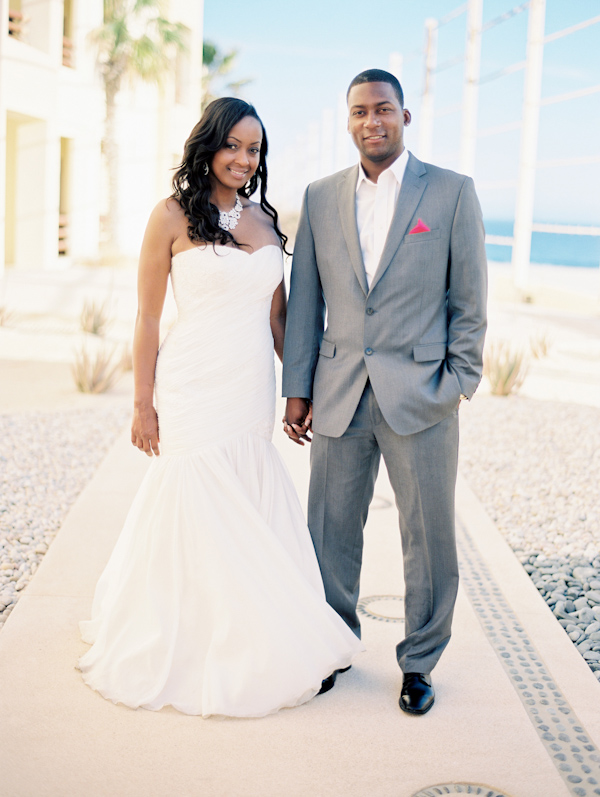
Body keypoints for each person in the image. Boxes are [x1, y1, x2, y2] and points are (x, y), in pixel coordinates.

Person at [78, 97, 364, 718]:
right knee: (194, 494)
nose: (242, 158)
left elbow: (281, 315)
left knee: (245, 491)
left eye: (254, 148)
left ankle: (257, 630)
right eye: (232, 144)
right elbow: (148, 316)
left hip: (248, 388)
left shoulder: (264, 217)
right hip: (190, 383)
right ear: (207, 145)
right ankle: (186, 636)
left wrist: (299, 390)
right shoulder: (171, 216)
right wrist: (142, 404)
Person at [282, 69, 487, 714]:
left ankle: (419, 662)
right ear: (348, 120)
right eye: (360, 111)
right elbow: (307, 300)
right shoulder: (319, 197)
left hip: (421, 395)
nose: (373, 121)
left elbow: (470, 299)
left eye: (385, 110)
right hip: (339, 389)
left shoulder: (452, 194)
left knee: (427, 536)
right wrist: (297, 390)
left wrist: (458, 381)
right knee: (329, 530)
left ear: (405, 116)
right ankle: (334, 647)